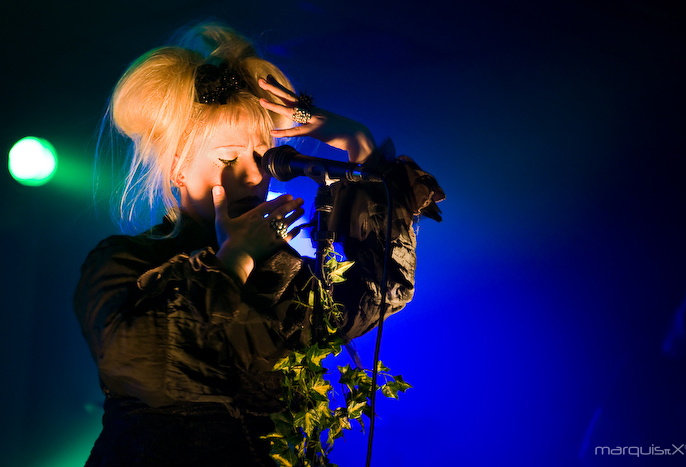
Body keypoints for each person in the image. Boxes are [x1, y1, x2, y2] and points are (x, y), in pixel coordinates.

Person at [74, 22, 444, 466]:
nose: (254, 176)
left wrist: (353, 138)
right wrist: (233, 260)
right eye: (229, 158)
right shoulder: (125, 262)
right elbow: (149, 363)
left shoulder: (284, 274)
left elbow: (381, 290)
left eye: (263, 157)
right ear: (177, 167)